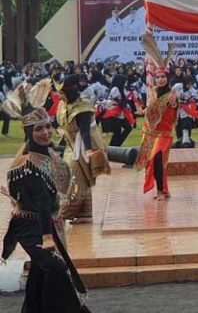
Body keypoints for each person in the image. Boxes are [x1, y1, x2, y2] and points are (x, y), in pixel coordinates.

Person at [1, 80, 91, 312]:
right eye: (38, 129)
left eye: (48, 126)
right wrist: (46, 237)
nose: (46, 132)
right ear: (28, 132)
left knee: (42, 272)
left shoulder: (50, 154)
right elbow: (40, 201)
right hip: (33, 228)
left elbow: (56, 192)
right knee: (57, 269)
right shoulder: (28, 165)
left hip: (51, 224)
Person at [56, 75, 111, 222]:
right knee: (80, 176)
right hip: (71, 144)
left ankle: (65, 213)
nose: (58, 95)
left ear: (70, 91)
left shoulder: (83, 106)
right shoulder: (64, 104)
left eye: (61, 92)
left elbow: (85, 131)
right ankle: (85, 213)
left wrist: (88, 150)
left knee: (74, 178)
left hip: (87, 144)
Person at [135, 34, 179, 200]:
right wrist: (143, 111)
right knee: (154, 162)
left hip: (164, 134)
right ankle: (163, 190)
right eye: (158, 77)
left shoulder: (171, 95)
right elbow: (152, 111)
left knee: (157, 158)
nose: (160, 79)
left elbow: (172, 108)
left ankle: (161, 191)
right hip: (150, 133)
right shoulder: (152, 92)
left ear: (168, 78)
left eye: (163, 77)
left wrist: (173, 102)